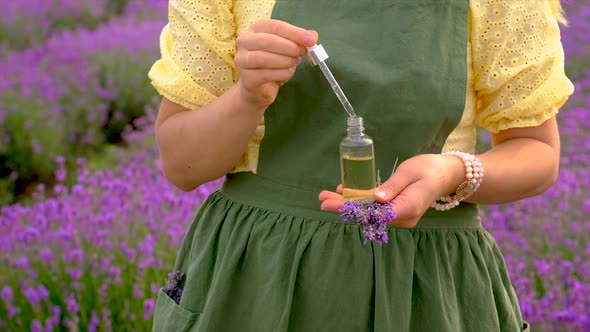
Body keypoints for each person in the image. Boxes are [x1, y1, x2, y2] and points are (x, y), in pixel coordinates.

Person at [148, 0, 573, 331]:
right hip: (258, 275)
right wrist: (247, 96)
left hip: (425, 284)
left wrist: (452, 173)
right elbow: (183, 166)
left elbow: (536, 151)